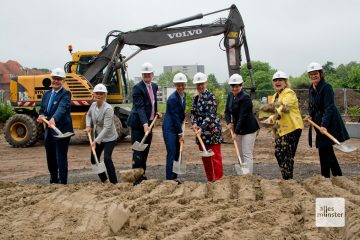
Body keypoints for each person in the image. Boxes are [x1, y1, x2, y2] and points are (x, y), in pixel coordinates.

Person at [305, 62, 349, 178]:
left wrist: (324, 125)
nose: (314, 76)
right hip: (318, 123)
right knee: (326, 149)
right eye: (311, 74)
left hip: (329, 122)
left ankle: (329, 177)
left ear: (321, 74)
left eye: (316, 73)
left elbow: (329, 108)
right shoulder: (311, 88)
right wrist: (310, 115)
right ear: (309, 76)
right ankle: (335, 176)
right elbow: (311, 106)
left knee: (325, 149)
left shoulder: (326, 87)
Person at [262, 71, 304, 180]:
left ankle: (288, 179)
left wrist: (271, 117)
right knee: (278, 154)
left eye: (280, 80)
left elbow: (282, 107)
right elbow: (273, 109)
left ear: (285, 82)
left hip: (292, 128)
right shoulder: (275, 95)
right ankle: (286, 177)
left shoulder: (289, 93)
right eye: (275, 80)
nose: (278, 82)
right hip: (281, 129)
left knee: (287, 155)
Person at [127, 62, 161, 185]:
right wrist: (145, 125)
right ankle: (136, 178)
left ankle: (143, 174)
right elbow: (140, 107)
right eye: (144, 74)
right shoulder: (137, 88)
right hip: (137, 124)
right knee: (137, 151)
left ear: (152, 74)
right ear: (142, 75)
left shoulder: (155, 86)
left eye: (149, 74)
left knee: (145, 150)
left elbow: (152, 103)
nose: (147, 76)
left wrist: (156, 112)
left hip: (149, 124)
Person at [37, 67, 73, 184]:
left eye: (59, 79)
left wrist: (54, 119)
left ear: (63, 81)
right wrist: (41, 116)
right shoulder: (47, 94)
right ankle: (53, 179)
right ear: (51, 79)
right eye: (54, 78)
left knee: (60, 157)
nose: (56, 81)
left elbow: (62, 108)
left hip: (61, 131)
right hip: (49, 131)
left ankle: (63, 182)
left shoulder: (66, 94)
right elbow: (42, 109)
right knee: (50, 157)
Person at [191, 72, 223, 181]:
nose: (200, 86)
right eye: (198, 84)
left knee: (215, 157)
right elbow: (193, 113)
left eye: (202, 84)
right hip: (201, 133)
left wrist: (201, 127)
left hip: (212, 131)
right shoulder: (195, 98)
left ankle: (218, 180)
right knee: (206, 158)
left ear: (206, 83)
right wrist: (194, 123)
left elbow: (211, 115)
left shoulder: (211, 97)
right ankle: (210, 180)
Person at [224, 73, 259, 174]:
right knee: (240, 153)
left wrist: (236, 132)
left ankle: (248, 176)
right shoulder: (230, 95)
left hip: (249, 129)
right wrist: (228, 122)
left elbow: (242, 117)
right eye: (233, 86)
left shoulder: (245, 98)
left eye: (237, 86)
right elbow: (227, 111)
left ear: (241, 85)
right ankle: (243, 174)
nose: (235, 88)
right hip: (238, 128)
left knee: (247, 153)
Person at [85, 83, 118, 184]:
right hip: (98, 136)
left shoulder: (108, 109)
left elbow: (107, 127)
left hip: (109, 137)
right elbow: (88, 115)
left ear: (105, 96)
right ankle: (104, 180)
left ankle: (114, 183)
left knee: (107, 158)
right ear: (94, 94)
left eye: (101, 94)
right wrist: (88, 126)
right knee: (94, 159)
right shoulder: (93, 105)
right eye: (97, 93)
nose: (99, 95)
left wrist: (96, 141)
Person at [162, 73, 187, 183]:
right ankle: (169, 179)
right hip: (169, 129)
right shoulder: (173, 98)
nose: (180, 87)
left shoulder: (184, 95)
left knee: (177, 152)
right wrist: (180, 134)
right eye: (178, 85)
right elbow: (175, 117)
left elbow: (180, 114)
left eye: (182, 84)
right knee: (172, 152)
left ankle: (174, 177)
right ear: (175, 85)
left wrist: (182, 123)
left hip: (176, 126)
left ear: (185, 84)